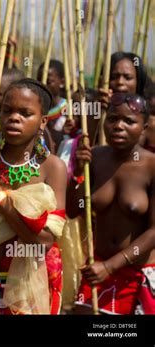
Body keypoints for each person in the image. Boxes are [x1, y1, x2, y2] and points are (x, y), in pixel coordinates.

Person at [0, 78, 67, 314]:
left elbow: (44, 241)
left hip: (31, 287)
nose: (14, 117)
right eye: (7, 110)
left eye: (25, 113)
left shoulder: (52, 168)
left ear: (42, 122)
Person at [69, 93, 155, 314]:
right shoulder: (94, 157)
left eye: (129, 121)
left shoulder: (151, 166)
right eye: (113, 119)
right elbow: (72, 210)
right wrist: (78, 174)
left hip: (137, 273)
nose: (118, 126)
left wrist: (110, 266)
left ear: (144, 127)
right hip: (96, 269)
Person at [37, 60, 67, 150]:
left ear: (62, 82)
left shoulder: (69, 109)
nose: (43, 85)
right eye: (40, 80)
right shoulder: (35, 111)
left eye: (48, 81)